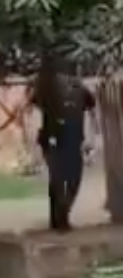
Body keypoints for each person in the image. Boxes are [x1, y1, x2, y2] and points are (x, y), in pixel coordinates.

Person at [30, 60, 98, 232]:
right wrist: (34, 144)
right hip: (52, 141)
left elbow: (92, 112)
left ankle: (61, 215)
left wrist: (90, 138)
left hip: (74, 142)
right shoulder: (46, 90)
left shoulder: (81, 91)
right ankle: (60, 221)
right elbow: (34, 113)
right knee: (58, 180)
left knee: (73, 180)